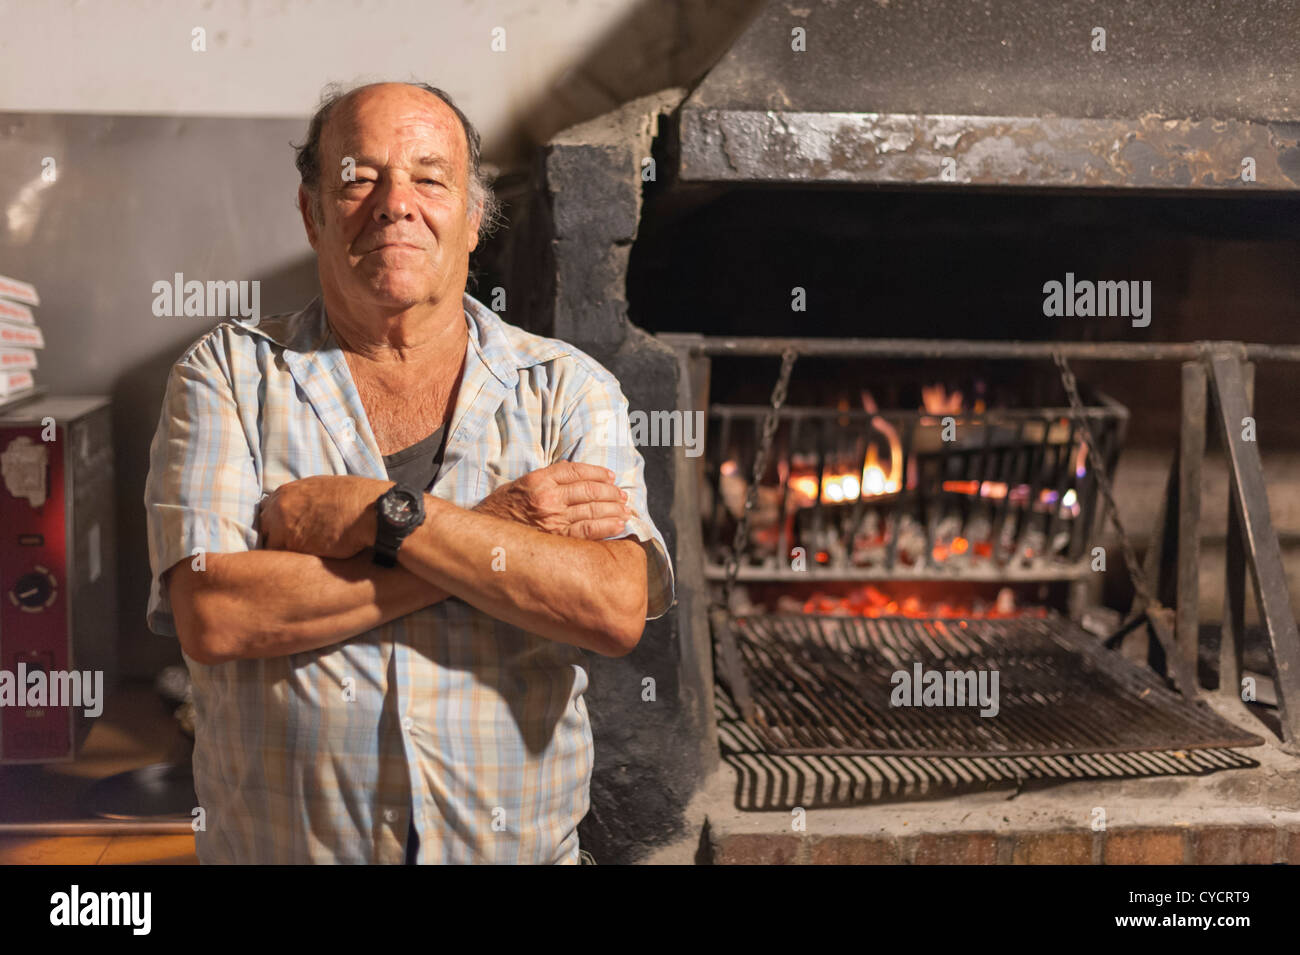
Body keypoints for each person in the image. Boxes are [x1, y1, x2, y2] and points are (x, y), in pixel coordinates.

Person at [143, 80, 674, 864]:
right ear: (312, 213)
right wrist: (491, 535)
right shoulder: (225, 375)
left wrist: (381, 515)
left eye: (430, 177)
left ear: (472, 219)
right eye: (359, 176)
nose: (396, 203)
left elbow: (613, 604)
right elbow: (217, 614)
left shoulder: (566, 386)